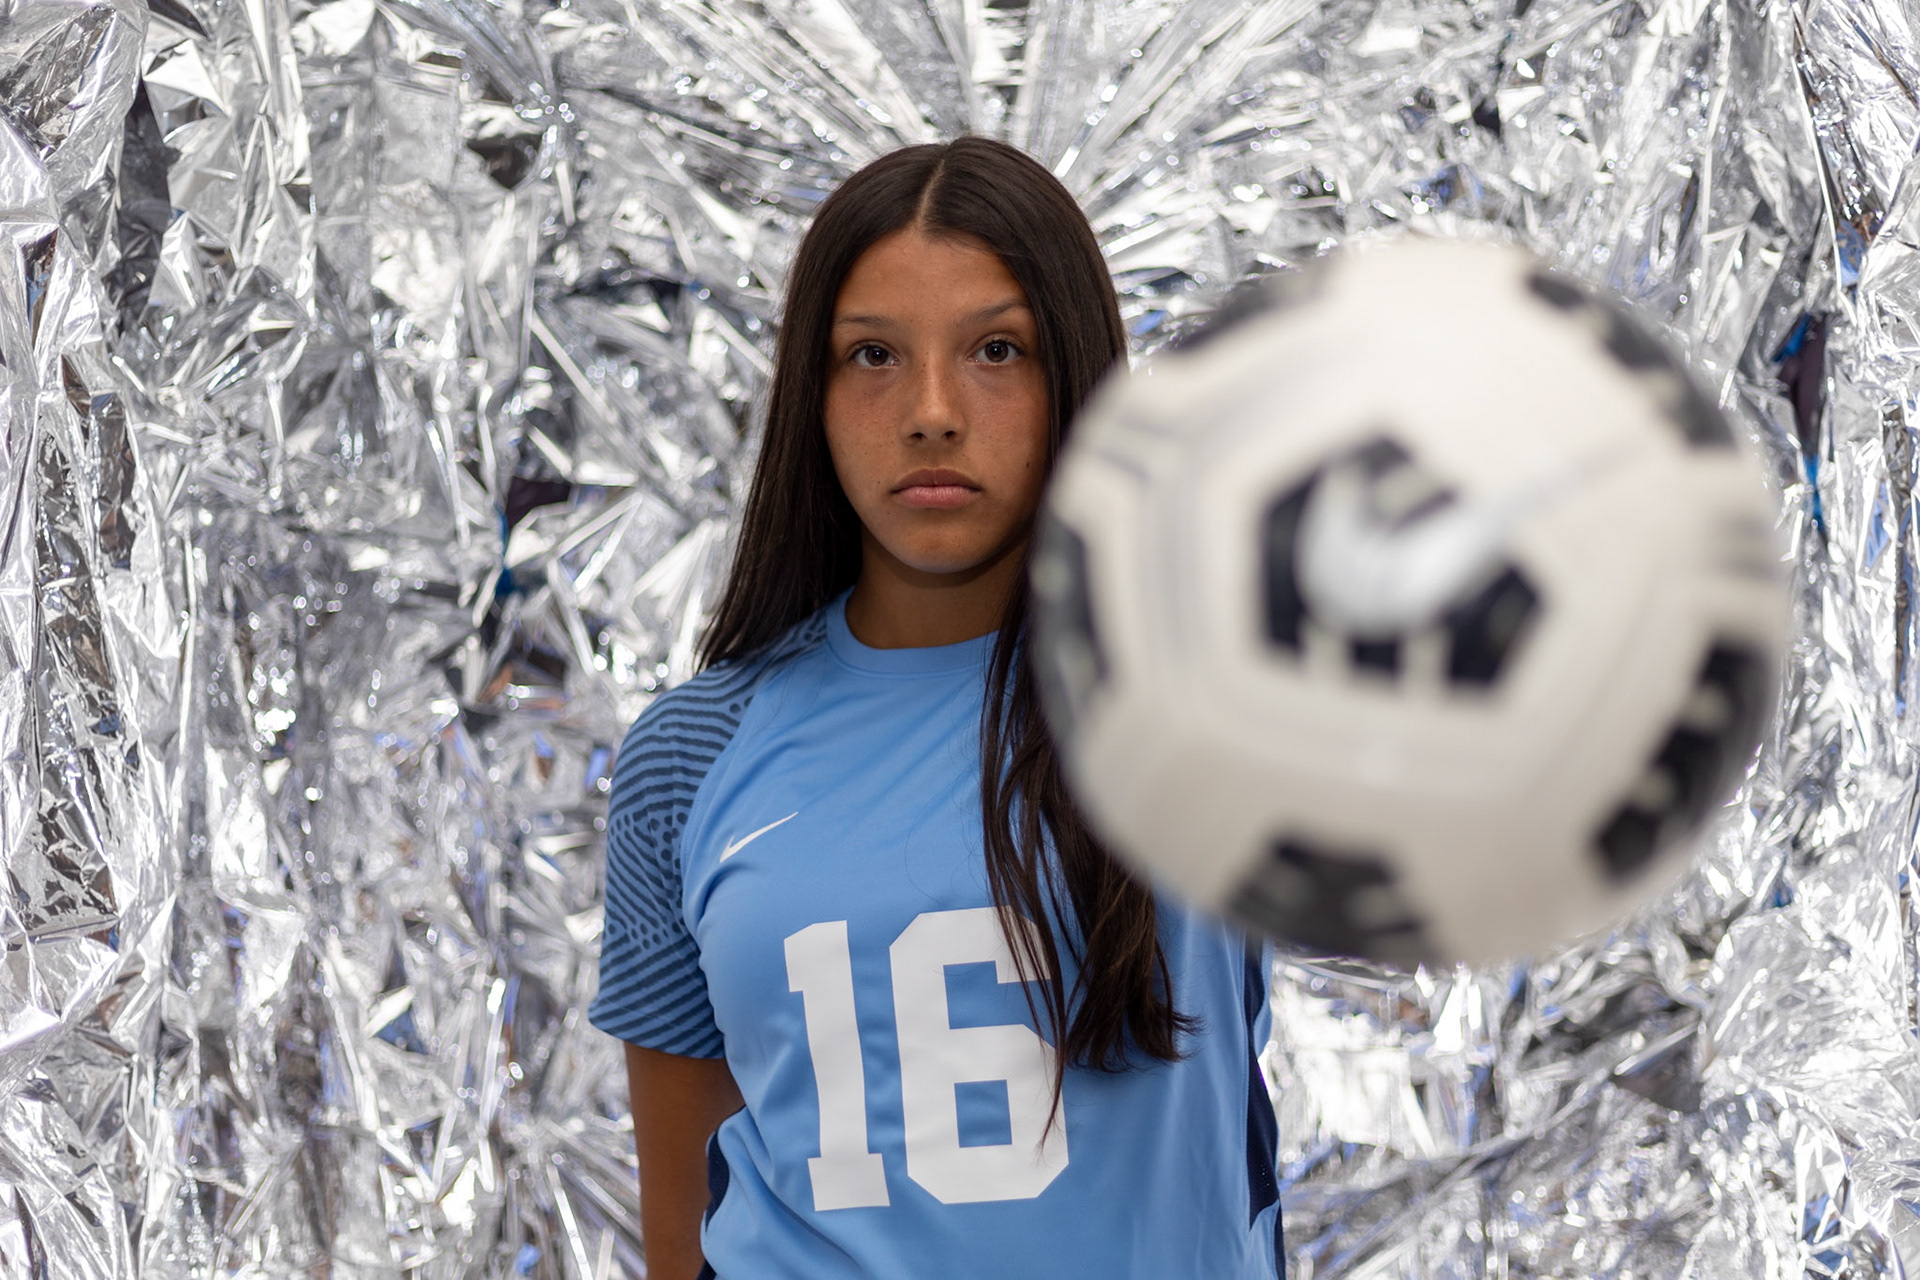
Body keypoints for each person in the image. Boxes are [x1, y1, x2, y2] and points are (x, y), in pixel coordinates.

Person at [589, 135, 1284, 1280]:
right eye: (871, 355)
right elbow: (682, 1235)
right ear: (811, 397)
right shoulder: (693, 756)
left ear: (1077, 378)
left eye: (997, 349)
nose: (930, 410)